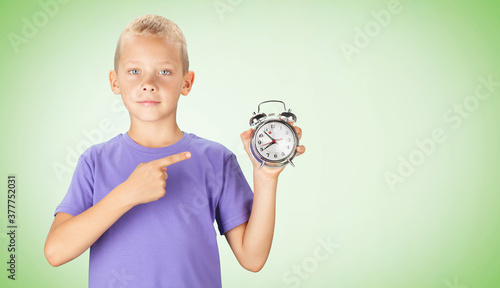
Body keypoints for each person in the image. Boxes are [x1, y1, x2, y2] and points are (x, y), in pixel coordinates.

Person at [44, 14, 305, 287]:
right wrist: (127, 194)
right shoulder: (94, 161)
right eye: (134, 71)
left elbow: (253, 258)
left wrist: (266, 178)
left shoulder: (217, 160)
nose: (148, 82)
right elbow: (55, 251)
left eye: (165, 71)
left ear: (186, 82)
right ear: (115, 81)